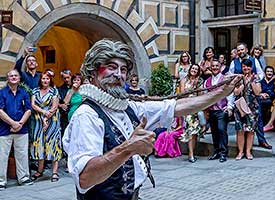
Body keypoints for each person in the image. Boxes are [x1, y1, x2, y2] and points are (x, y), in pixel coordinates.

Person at [62, 39, 241, 200]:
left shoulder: (128, 107)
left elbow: (178, 106)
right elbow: (85, 178)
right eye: (111, 66)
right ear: (93, 72)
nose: (118, 74)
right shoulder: (86, 115)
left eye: (123, 69)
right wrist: (127, 148)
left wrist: (222, 92)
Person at [229, 42, 272, 149]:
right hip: (240, 96)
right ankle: (243, 147)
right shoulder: (234, 63)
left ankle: (262, 140)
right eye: (238, 50)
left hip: (253, 95)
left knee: (258, 119)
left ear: (247, 50)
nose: (240, 52)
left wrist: (254, 79)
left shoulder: (254, 60)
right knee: (242, 120)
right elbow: (230, 76)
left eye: (242, 49)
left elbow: (261, 74)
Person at [0, 70, 33, 190]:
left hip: (22, 129)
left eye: (15, 75)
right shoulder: (2, 93)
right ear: (7, 78)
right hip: (4, 129)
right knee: (2, 156)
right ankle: (1, 181)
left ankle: (24, 178)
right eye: (11, 76)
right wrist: (13, 123)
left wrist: (20, 123)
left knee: (22, 154)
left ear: (19, 78)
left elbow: (28, 110)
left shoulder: (24, 93)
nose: (13, 77)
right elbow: (0, 111)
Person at [30, 71, 62, 182]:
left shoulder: (54, 91)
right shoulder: (35, 90)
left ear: (50, 80)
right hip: (39, 121)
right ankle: (39, 171)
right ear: (40, 79)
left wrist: (46, 118)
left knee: (53, 144)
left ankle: (54, 172)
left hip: (52, 121)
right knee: (40, 144)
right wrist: (43, 113)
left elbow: (54, 107)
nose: (45, 80)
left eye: (47, 79)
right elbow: (33, 104)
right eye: (43, 78)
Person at [204, 58, 231, 162]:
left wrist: (229, 107)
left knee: (221, 130)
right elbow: (206, 96)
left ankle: (224, 153)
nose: (215, 68)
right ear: (210, 68)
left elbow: (230, 94)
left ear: (220, 68)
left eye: (217, 66)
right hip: (211, 110)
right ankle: (217, 151)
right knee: (214, 131)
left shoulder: (225, 79)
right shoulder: (207, 81)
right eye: (213, 66)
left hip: (221, 109)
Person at [234, 59, 261, 160]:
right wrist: (243, 84)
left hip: (252, 108)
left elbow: (258, 92)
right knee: (240, 130)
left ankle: (248, 152)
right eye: (244, 66)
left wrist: (251, 81)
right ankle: (240, 152)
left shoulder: (256, 77)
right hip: (240, 108)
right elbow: (236, 92)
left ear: (251, 67)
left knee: (250, 130)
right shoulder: (238, 78)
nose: (246, 68)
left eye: (248, 66)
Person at [179, 64, 205, 163]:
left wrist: (197, 86)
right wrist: (191, 87)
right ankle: (191, 154)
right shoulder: (184, 80)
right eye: (193, 68)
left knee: (194, 132)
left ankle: (192, 153)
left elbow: (201, 95)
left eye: (196, 69)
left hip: (195, 108)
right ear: (190, 69)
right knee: (190, 131)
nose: (194, 70)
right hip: (187, 108)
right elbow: (182, 93)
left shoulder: (200, 81)